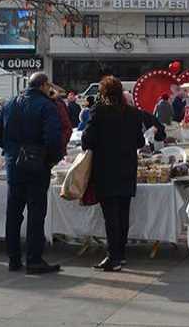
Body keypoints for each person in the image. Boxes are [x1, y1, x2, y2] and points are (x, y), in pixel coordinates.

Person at [0, 72, 63, 275]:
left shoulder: (11, 103)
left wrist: (10, 149)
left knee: (14, 213)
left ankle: (13, 258)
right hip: (37, 164)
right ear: (43, 85)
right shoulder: (47, 105)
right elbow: (53, 138)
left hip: (15, 164)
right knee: (36, 213)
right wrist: (50, 159)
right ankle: (34, 259)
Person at [81, 77, 145, 272]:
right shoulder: (133, 113)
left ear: (103, 93)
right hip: (127, 168)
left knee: (111, 216)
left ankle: (113, 257)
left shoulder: (98, 112)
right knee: (123, 214)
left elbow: (87, 140)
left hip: (106, 169)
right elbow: (140, 142)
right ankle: (121, 254)